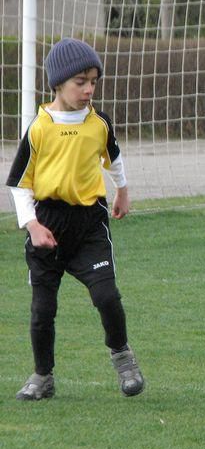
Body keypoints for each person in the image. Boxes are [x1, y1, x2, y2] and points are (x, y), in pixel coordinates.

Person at [6, 38, 144, 400]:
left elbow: (113, 157)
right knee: (43, 309)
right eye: (80, 82)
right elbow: (20, 184)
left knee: (107, 296)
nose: (88, 89)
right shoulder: (39, 128)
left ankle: (123, 357)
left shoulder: (99, 122)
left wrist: (123, 191)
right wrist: (33, 225)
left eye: (93, 82)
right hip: (47, 223)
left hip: (89, 224)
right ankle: (43, 377)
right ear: (58, 83)